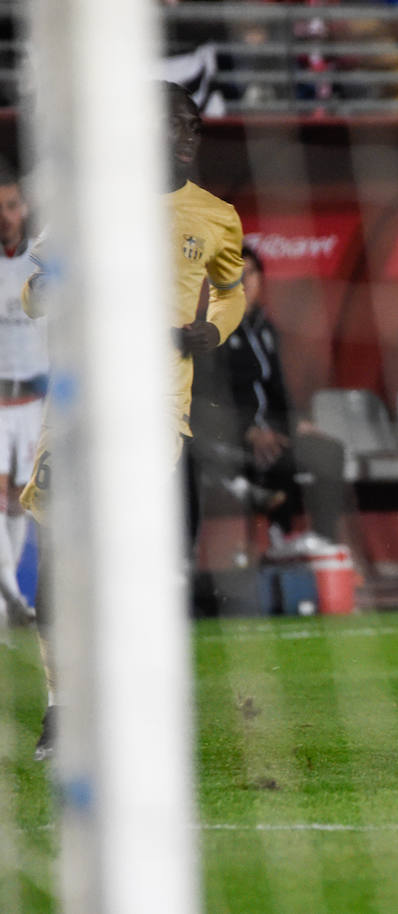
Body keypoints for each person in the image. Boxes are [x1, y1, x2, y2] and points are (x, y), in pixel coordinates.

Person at [25, 82, 245, 760]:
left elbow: (232, 292)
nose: (184, 131)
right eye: (168, 121)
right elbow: (34, 296)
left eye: (191, 122)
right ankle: (62, 711)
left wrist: (211, 330)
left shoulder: (216, 217)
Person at [190, 246, 346, 543]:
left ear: (261, 279)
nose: (244, 282)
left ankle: (325, 541)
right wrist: (247, 431)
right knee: (274, 452)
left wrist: (295, 421)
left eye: (250, 274)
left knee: (329, 451)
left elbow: (276, 387)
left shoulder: (264, 328)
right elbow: (204, 399)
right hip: (231, 435)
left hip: (270, 427)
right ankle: (281, 537)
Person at [0, 163, 43, 632]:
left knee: (19, 500)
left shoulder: (43, 264)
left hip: (34, 403)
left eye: (11, 206)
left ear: (25, 207)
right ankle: (11, 595)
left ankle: (7, 599)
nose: (5, 216)